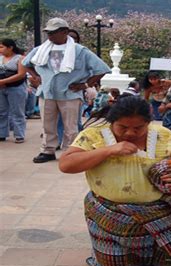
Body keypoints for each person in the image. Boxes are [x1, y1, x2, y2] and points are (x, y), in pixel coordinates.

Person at [58, 96, 171, 266]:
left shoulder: (164, 135)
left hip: (159, 211)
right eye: (123, 127)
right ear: (112, 121)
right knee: (114, 264)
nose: (130, 133)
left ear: (148, 122)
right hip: (110, 212)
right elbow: (66, 164)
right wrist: (108, 150)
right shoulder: (93, 135)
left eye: (138, 128)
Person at [22, 18, 111, 163]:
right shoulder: (41, 50)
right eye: (48, 32)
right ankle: (48, 150)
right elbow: (25, 63)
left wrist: (85, 85)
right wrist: (36, 76)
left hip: (69, 93)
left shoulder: (80, 51)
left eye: (53, 32)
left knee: (71, 126)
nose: (50, 35)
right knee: (47, 124)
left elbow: (102, 68)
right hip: (47, 92)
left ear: (64, 32)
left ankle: (71, 151)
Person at [0, 39, 27, 143]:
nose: (0, 49)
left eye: (2, 47)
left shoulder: (20, 58)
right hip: (2, 88)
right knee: (2, 112)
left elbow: (21, 74)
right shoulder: (0, 58)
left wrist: (3, 81)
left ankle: (19, 134)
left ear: (10, 47)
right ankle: (2, 133)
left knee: (17, 111)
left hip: (16, 87)